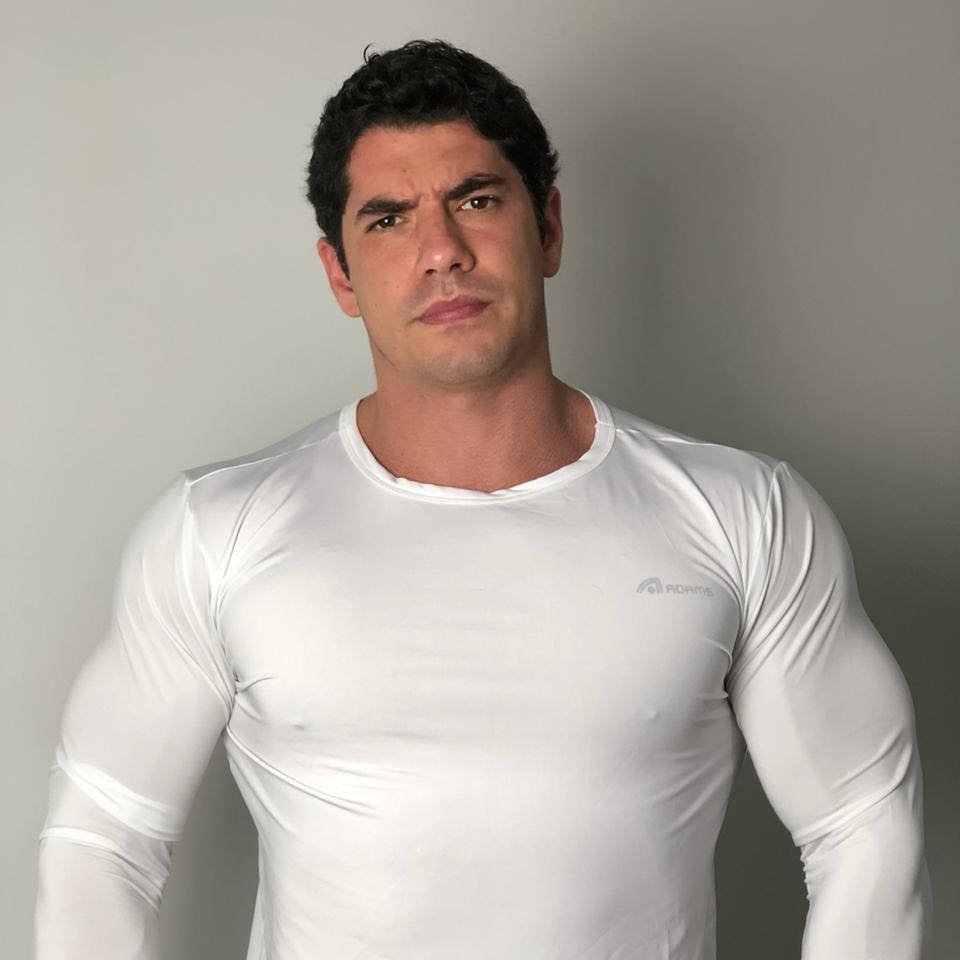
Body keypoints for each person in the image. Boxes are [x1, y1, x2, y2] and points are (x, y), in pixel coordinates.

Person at [34, 38, 932, 960]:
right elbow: (101, 843)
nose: (442, 252)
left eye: (475, 200)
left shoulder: (744, 514)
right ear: (341, 273)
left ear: (549, 228)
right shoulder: (215, 531)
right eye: (388, 219)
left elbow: (862, 823)